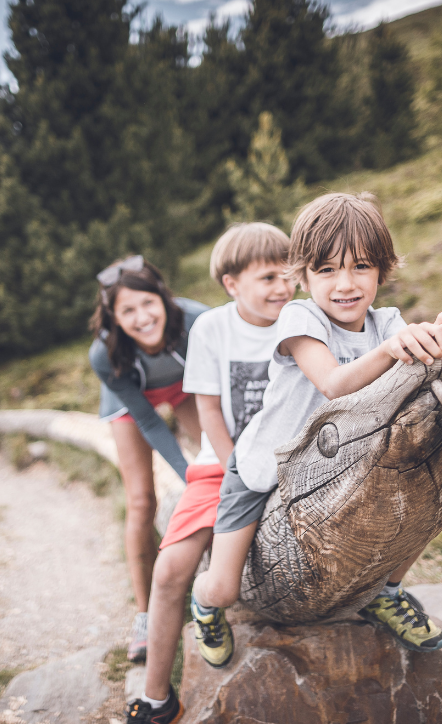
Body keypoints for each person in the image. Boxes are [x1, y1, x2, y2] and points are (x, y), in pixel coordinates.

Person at [189, 192, 442, 668]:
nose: (345, 284)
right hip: (262, 468)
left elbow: (412, 350)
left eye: (361, 267)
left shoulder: (386, 323)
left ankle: (386, 593)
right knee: (226, 586)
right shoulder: (300, 318)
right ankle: (203, 605)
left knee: (418, 510)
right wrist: (395, 348)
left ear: (383, 271)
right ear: (304, 277)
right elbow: (333, 383)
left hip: (337, 468)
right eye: (327, 270)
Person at [125, 224, 294, 724]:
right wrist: (241, 471)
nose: (283, 288)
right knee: (171, 569)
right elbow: (211, 414)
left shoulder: (306, 321)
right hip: (223, 463)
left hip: (296, 463)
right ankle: (158, 697)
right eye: (268, 277)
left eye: (289, 275)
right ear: (231, 284)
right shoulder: (212, 329)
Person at [89, 255, 208, 663]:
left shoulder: (196, 320)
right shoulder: (105, 354)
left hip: (185, 385)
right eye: (127, 310)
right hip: (131, 402)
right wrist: (189, 475)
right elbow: (150, 423)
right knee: (142, 501)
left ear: (163, 298)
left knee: (224, 462)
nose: (141, 317)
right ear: (114, 318)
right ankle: (145, 613)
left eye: (147, 303)